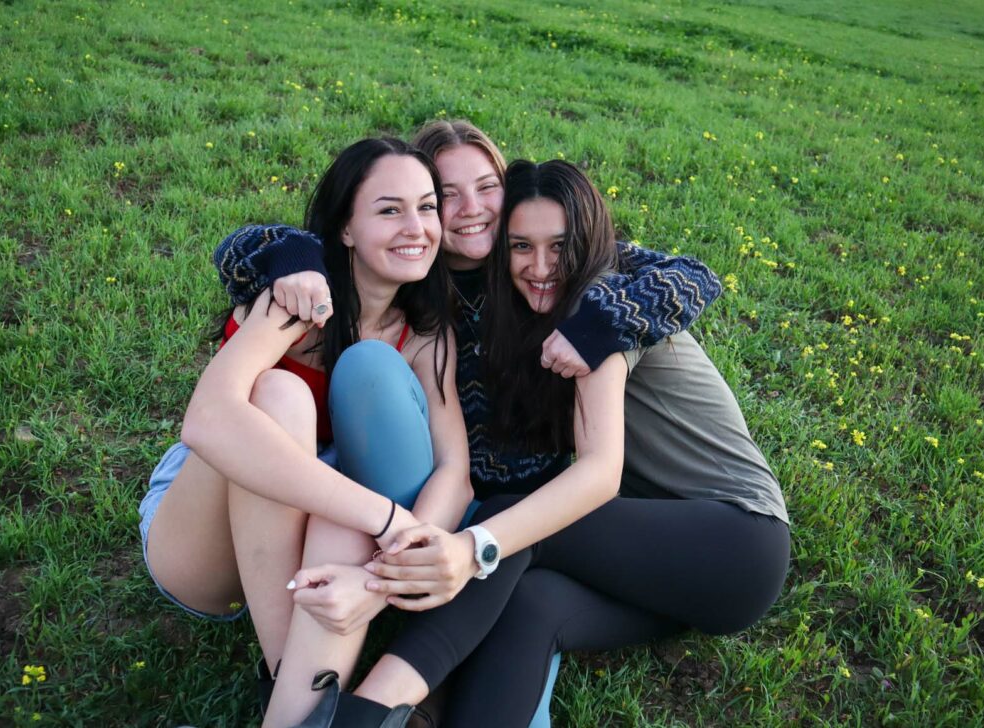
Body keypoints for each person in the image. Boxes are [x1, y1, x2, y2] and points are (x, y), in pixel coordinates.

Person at [257, 119, 725, 725]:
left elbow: (690, 275)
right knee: (374, 376)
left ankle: (406, 700)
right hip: (430, 483)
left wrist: (597, 328)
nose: (472, 209)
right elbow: (260, 244)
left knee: (521, 592)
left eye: (488, 186)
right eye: (447, 195)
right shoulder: (412, 269)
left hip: (523, 512)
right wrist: (293, 256)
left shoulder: (550, 264)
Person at [340, 159, 790, 726]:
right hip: (665, 566)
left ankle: (365, 710)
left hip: (735, 540)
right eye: (521, 246)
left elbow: (600, 473)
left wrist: (470, 545)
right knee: (534, 602)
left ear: (589, 241)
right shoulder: (533, 314)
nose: (541, 267)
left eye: (559, 246)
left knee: (513, 526)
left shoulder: (605, 308)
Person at [136, 137, 472, 727]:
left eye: (426, 207)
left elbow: (455, 473)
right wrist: (388, 521)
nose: (416, 227)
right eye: (389, 210)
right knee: (279, 395)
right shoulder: (293, 299)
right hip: (202, 533)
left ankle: (290, 712)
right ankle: (290, 671)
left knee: (343, 516)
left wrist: (383, 571)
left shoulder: (422, 332)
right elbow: (207, 423)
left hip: (315, 535)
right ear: (344, 229)